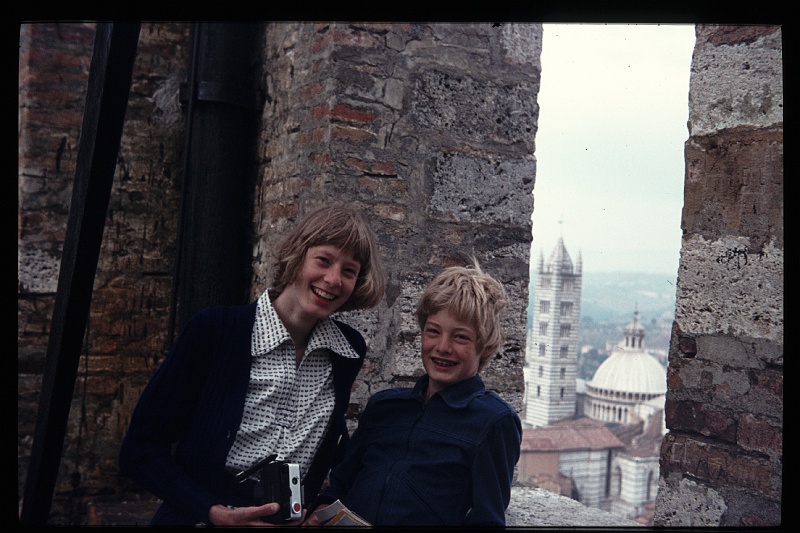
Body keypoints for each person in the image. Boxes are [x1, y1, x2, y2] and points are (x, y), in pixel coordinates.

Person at [118, 205, 386, 526]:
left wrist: (324, 504)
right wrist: (214, 512)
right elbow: (140, 451)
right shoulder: (215, 331)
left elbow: (333, 448)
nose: (333, 279)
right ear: (297, 256)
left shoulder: (347, 351)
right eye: (323, 260)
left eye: (349, 271)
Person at [305, 261, 522, 527]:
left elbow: (486, 519)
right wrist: (322, 510)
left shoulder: (493, 421)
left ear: (485, 347)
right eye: (433, 331)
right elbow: (341, 484)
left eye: (460, 337)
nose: (442, 347)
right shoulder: (385, 406)